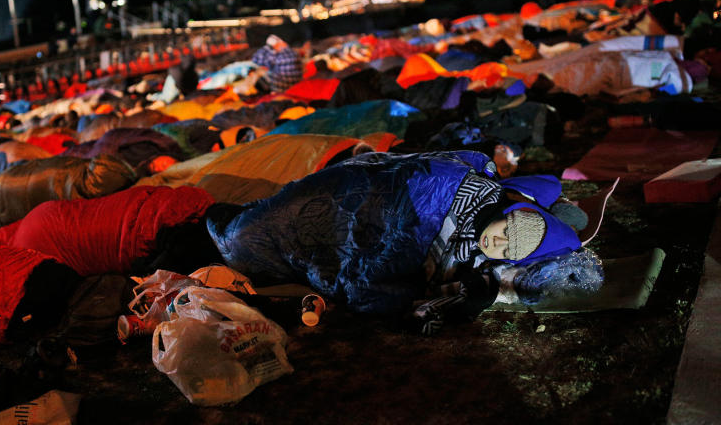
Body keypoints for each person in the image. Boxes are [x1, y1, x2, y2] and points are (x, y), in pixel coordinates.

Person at [206, 150, 600, 335]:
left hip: (352, 213)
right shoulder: (472, 190)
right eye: (503, 229)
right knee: (240, 237)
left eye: (506, 248)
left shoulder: (474, 258)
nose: (494, 241)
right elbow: (365, 282)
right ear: (507, 211)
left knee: (248, 240)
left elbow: (370, 277)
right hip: (366, 190)